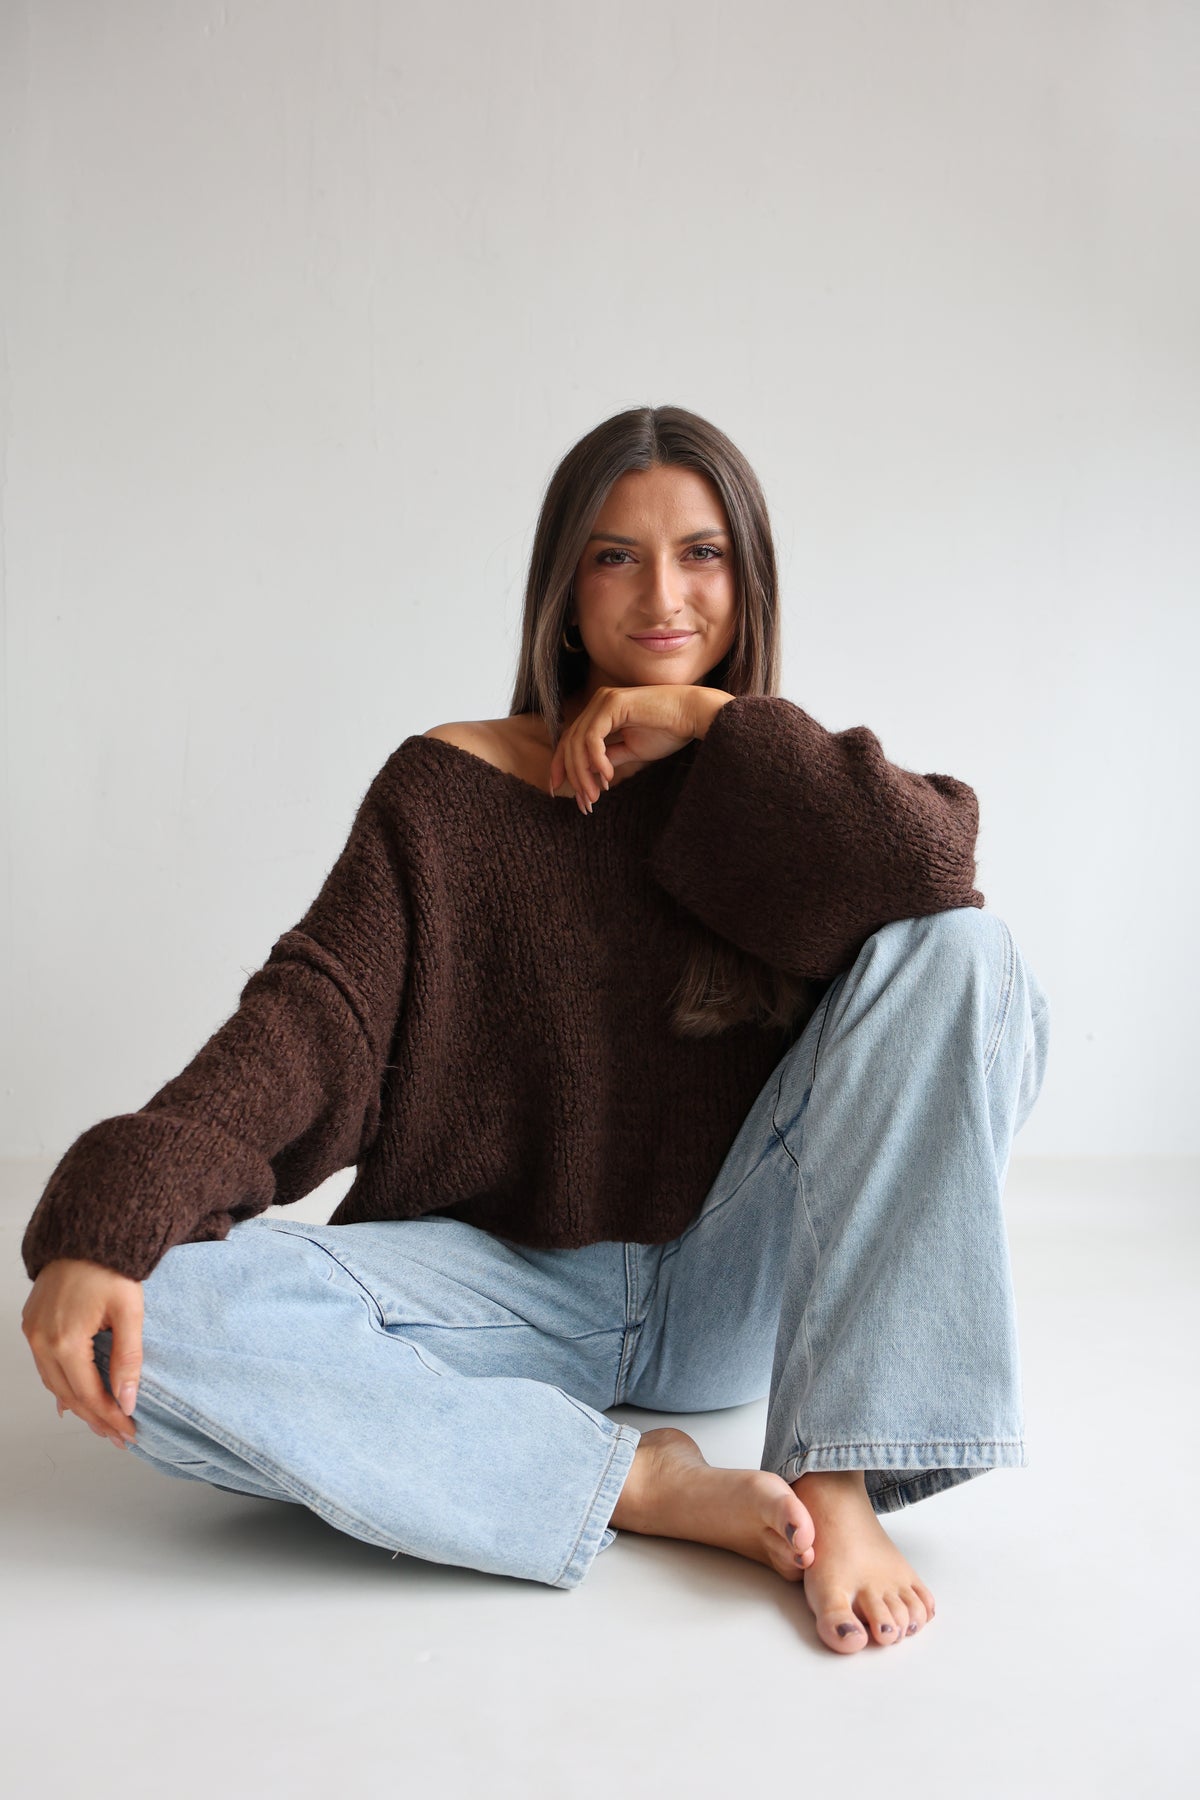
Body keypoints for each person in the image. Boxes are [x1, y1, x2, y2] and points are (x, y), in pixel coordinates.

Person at [20, 403, 1049, 1656]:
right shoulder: (444, 788)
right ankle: (623, 1483)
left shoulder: (778, 790)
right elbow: (309, 1022)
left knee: (965, 950)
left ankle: (837, 1470)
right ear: (564, 589)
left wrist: (714, 726)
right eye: (617, 556)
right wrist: (113, 1217)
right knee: (159, 1311)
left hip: (733, 1278)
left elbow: (938, 878)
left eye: (703, 554)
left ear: (749, 580)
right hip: (502, 1293)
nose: (663, 594)